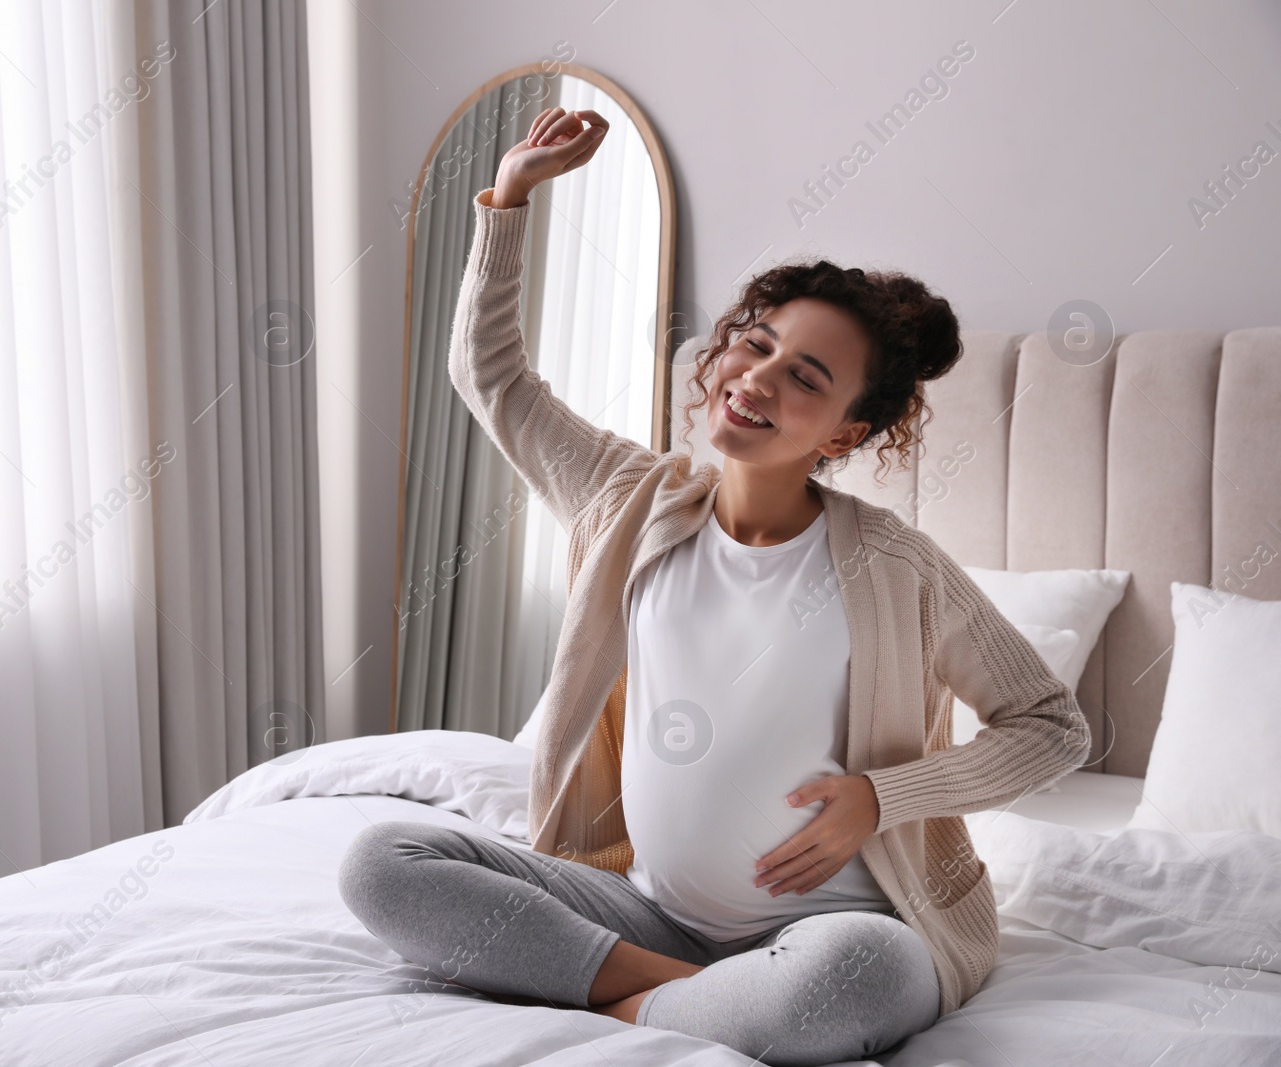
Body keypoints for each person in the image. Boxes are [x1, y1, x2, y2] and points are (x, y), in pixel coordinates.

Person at [338, 106, 1089, 1066]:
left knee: (860, 977)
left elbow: (1052, 727)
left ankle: (622, 995)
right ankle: (691, 997)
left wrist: (883, 794)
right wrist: (512, 199)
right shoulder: (629, 497)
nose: (757, 377)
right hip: (650, 911)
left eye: (806, 376)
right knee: (382, 864)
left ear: (844, 434)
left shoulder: (896, 565)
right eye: (757, 341)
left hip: (830, 927)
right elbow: (490, 378)